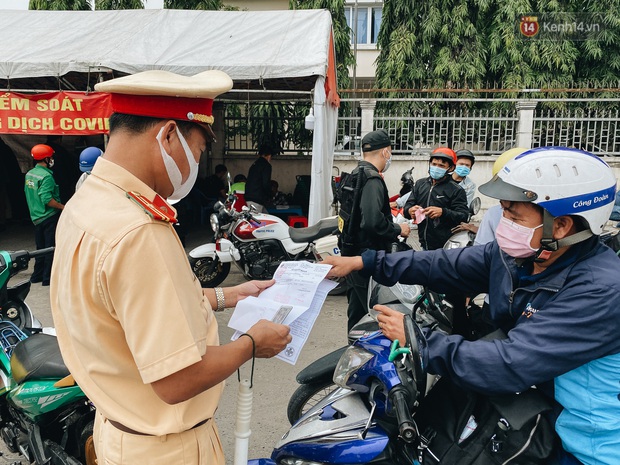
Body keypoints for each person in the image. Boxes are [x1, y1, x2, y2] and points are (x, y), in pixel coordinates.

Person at [49, 69, 291, 465]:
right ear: (166, 137)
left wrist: (226, 295)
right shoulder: (138, 231)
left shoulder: (88, 202)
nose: (197, 162)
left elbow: (129, 311)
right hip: (166, 451)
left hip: (120, 433)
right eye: (197, 150)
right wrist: (251, 344)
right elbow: (177, 378)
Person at [324, 147, 620, 465]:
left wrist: (418, 342)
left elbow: (509, 364)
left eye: (513, 214)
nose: (502, 221)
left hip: (585, 447)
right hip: (534, 413)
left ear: (560, 227)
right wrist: (363, 262)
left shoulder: (599, 291)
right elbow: (444, 264)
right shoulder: (522, 258)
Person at [337, 128, 410, 331]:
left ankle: (353, 353)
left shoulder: (355, 174)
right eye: (390, 152)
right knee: (373, 315)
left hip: (352, 253)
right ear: (385, 152)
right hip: (367, 259)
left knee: (357, 315)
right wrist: (398, 229)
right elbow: (372, 222)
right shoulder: (373, 179)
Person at [404, 147, 469, 250]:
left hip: (446, 247)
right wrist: (410, 210)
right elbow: (407, 207)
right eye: (434, 164)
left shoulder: (456, 190)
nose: (436, 168)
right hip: (423, 243)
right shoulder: (420, 184)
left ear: (451, 168)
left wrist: (443, 212)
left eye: (441, 166)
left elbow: (463, 216)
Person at [24, 143, 64, 286]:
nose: (52, 159)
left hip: (36, 216)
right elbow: (47, 199)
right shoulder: (47, 177)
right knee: (50, 248)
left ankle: (37, 276)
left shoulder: (29, 174)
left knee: (40, 248)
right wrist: (62, 207)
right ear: (46, 159)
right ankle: (48, 278)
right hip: (49, 216)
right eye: (51, 157)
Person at [245, 143, 275, 212]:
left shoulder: (255, 164)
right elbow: (266, 183)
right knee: (257, 221)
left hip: (250, 196)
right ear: (269, 156)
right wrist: (270, 194)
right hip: (257, 199)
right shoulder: (266, 165)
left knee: (266, 217)